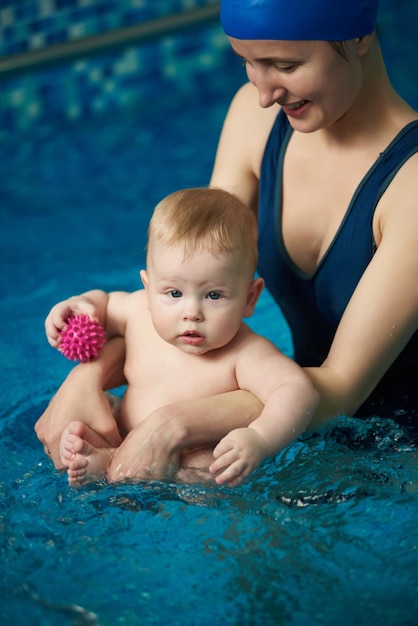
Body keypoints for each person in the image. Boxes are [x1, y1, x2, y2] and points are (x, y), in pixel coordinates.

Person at [35, 0, 418, 481]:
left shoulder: (413, 187)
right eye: (247, 63)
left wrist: (170, 422)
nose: (263, 92)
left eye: (285, 65)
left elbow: (340, 390)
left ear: (361, 36)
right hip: (272, 419)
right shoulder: (257, 120)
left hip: (393, 453)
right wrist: (85, 380)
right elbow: (193, 275)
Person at [46, 187, 318, 486]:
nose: (191, 312)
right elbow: (105, 303)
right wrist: (80, 306)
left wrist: (260, 437)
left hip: (183, 469)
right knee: (94, 416)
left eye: (214, 295)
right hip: (127, 436)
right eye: (174, 293)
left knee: (207, 466)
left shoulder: (245, 353)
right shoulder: (139, 314)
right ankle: (107, 456)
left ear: (250, 298)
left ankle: (109, 467)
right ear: (148, 290)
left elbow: (297, 390)